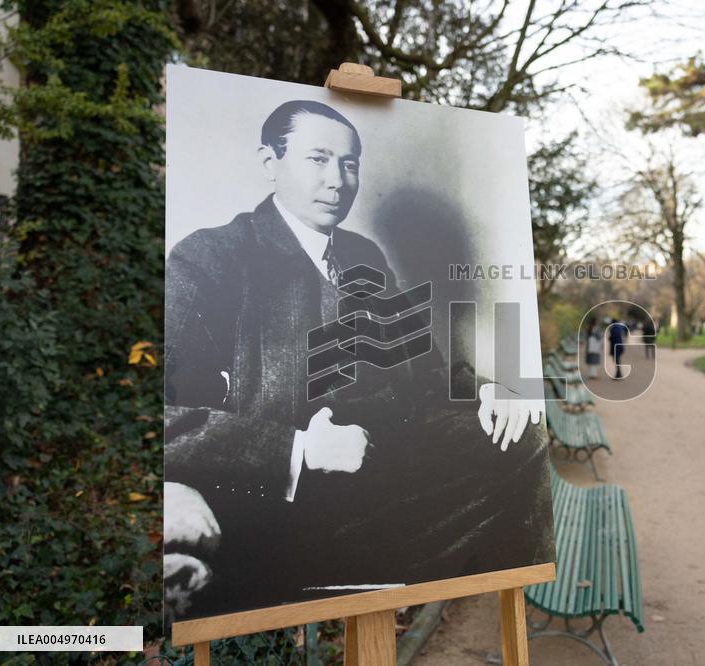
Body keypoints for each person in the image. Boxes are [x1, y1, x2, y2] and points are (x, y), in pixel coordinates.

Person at [164, 100, 551, 620]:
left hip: (390, 468)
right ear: (269, 162)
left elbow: (428, 369)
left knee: (525, 428)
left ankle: (443, 595)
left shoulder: (360, 255)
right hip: (292, 502)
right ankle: (395, 591)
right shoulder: (211, 257)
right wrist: (297, 449)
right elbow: (160, 416)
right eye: (318, 159)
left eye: (349, 164)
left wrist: (488, 390)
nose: (338, 180)